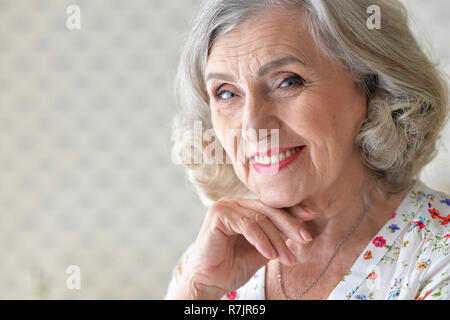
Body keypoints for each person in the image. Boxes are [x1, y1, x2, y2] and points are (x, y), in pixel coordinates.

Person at [165, 0, 449, 300]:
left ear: (371, 86)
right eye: (226, 92)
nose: (252, 125)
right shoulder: (204, 264)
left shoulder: (437, 254)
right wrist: (198, 292)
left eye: (287, 81)